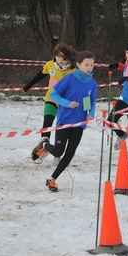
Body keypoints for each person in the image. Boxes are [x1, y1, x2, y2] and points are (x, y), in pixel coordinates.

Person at [32, 50, 98, 192]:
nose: (89, 68)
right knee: (58, 151)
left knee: (70, 153)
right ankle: (45, 145)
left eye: (92, 65)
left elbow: (92, 102)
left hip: (79, 124)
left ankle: (52, 180)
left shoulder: (92, 83)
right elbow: (53, 94)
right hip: (65, 121)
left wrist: (91, 114)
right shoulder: (69, 79)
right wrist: (68, 103)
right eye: (86, 64)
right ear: (78, 64)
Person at [24, 42, 77, 164]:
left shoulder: (72, 70)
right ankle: (43, 149)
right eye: (59, 57)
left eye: (64, 58)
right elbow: (40, 75)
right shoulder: (50, 65)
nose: (61, 60)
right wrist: (28, 86)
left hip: (65, 103)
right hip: (51, 99)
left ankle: (58, 153)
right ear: (54, 56)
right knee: (47, 123)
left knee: (62, 129)